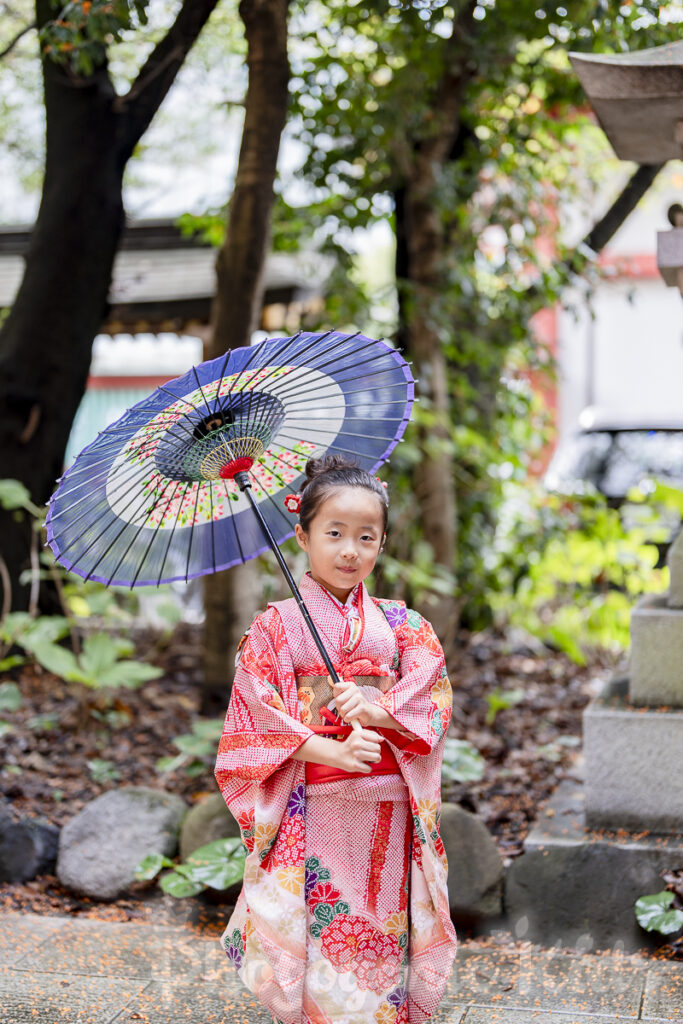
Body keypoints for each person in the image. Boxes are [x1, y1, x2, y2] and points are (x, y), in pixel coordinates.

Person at [214, 454, 457, 1024]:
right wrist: (332, 748)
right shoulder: (275, 626)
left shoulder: (403, 625)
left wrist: (375, 711)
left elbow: (432, 700)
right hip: (309, 803)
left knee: (378, 924)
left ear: (382, 542)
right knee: (314, 924)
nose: (351, 550)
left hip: (383, 806)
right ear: (302, 536)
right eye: (334, 533)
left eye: (366, 537)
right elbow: (257, 714)